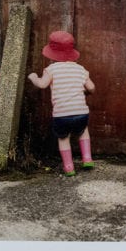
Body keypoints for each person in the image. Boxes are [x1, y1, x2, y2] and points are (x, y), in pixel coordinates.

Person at [28, 30, 96, 177]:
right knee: (83, 131)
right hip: (81, 113)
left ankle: (69, 167)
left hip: (62, 115)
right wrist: (87, 93)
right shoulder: (80, 69)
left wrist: (33, 77)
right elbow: (91, 87)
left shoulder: (51, 69)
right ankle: (87, 158)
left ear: (52, 54)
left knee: (63, 138)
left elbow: (42, 84)